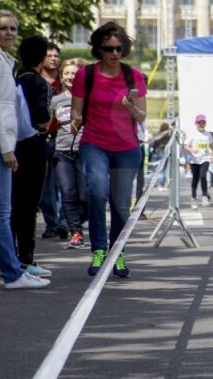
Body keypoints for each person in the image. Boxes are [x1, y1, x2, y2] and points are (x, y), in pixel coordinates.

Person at [70, 21, 147, 278]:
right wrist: (74, 120)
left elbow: (142, 116)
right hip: (95, 143)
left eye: (119, 48)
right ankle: (99, 250)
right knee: (97, 192)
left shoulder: (132, 76)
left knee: (121, 205)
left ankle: (119, 253)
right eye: (109, 48)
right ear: (98, 49)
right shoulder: (86, 75)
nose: (114, 53)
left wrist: (131, 108)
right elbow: (76, 111)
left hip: (126, 147)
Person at [0, 10, 50, 289]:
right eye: (4, 28)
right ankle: (13, 273)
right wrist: (6, 148)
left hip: (0, 143)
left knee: (0, 211)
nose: (10, 33)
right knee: (1, 212)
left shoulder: (3, 60)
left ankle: (15, 269)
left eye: (13, 28)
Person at [12, 35, 55, 277]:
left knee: (10, 204)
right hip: (33, 145)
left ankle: (11, 255)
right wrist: (49, 116)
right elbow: (42, 120)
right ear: (42, 58)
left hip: (10, 144)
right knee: (28, 205)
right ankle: (26, 258)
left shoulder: (14, 78)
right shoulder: (40, 84)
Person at [52, 59, 88, 248]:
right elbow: (49, 125)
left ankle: (76, 222)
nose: (70, 77)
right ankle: (76, 233)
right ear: (61, 75)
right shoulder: (56, 100)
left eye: (74, 73)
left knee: (85, 196)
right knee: (67, 193)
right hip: (62, 152)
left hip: (85, 151)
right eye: (66, 73)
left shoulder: (89, 98)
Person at [38, 42, 67, 239]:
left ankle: (65, 221)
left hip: (63, 137)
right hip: (42, 137)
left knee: (65, 184)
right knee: (45, 184)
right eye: (49, 55)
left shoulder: (65, 82)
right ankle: (51, 223)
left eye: (56, 55)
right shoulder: (35, 80)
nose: (53, 58)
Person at [183, 114, 213, 209]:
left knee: (203, 176)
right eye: (199, 123)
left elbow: (211, 146)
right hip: (194, 160)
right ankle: (193, 198)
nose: (201, 124)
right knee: (195, 179)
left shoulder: (208, 134)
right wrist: (191, 150)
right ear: (196, 124)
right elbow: (185, 145)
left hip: (205, 158)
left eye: (203, 123)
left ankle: (204, 196)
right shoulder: (192, 134)